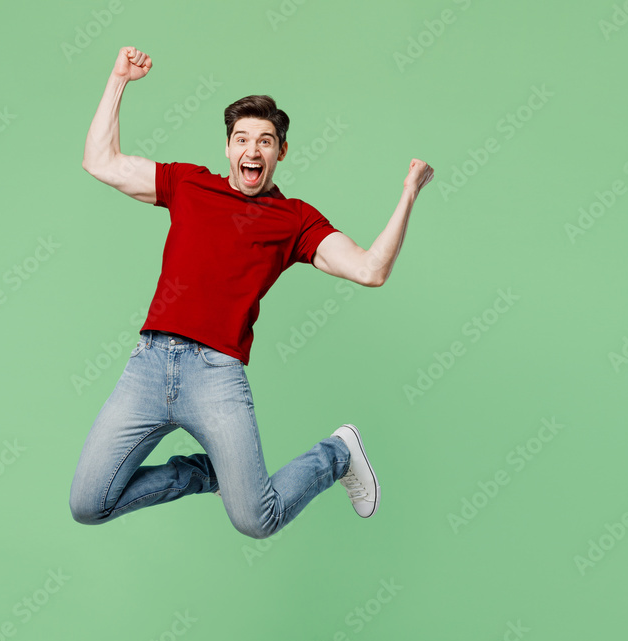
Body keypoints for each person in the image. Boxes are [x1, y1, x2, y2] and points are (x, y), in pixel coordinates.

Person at [69, 46, 434, 539]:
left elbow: (371, 269)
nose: (252, 150)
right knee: (89, 504)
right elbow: (100, 160)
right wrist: (118, 80)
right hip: (149, 366)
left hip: (215, 376)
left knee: (255, 520)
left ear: (281, 151)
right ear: (228, 148)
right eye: (242, 139)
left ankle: (339, 453)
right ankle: (206, 473)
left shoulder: (295, 220)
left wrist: (409, 192)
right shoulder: (188, 184)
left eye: (265, 141)